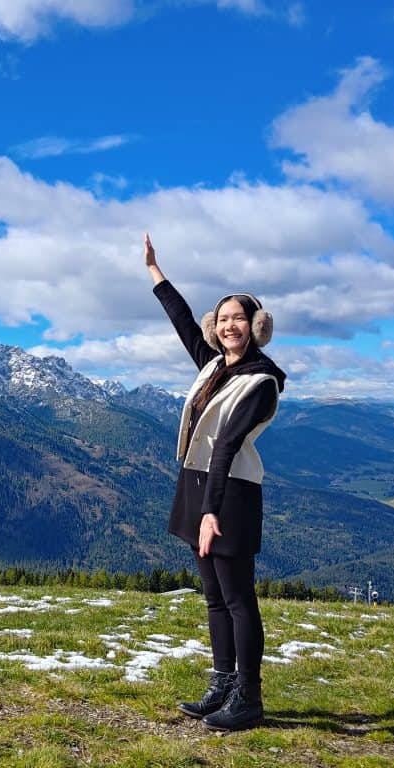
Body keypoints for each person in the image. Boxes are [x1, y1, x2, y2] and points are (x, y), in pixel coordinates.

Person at [144, 233, 286, 732]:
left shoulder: (261, 381)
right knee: (212, 596)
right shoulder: (213, 367)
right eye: (222, 318)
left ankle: (249, 696)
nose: (229, 325)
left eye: (239, 318)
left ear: (257, 326)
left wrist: (211, 512)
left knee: (238, 597)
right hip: (197, 486)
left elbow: (226, 445)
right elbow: (184, 323)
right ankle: (222, 683)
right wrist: (156, 273)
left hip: (229, 496)